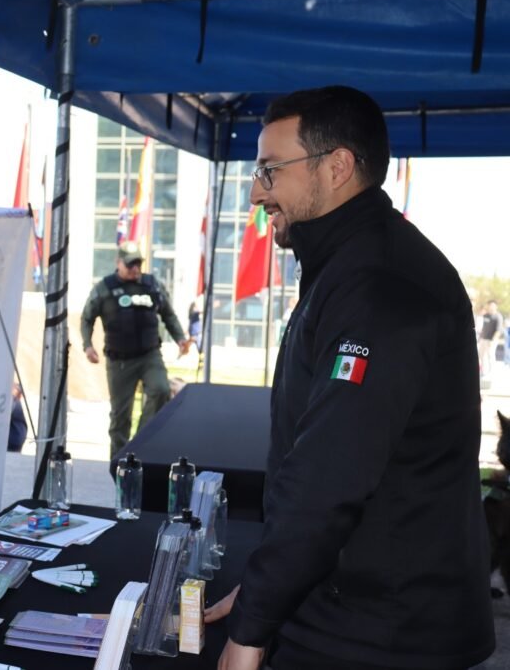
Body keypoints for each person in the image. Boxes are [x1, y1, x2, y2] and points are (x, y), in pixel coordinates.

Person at [209, 86, 494, 670]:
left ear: (337, 167)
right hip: (350, 609)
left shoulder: (379, 284)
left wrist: (252, 629)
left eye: (269, 170)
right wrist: (269, 591)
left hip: (383, 631)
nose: (257, 190)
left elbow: (328, 476)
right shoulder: (347, 266)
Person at [80, 241, 192, 458]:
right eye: (130, 264)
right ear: (118, 263)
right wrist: (87, 346)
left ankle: (141, 445)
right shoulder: (105, 288)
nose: (135, 269)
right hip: (120, 360)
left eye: (138, 264)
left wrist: (180, 338)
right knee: (121, 415)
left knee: (160, 390)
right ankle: (120, 461)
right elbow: (87, 318)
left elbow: (168, 314)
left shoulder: (152, 285)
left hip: (150, 355)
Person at [479, 299, 503, 377]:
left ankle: (491, 373)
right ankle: (484, 371)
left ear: (496, 306)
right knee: (481, 355)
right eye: (489, 305)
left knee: (490, 356)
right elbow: (483, 327)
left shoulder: (498, 316)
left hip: (491, 340)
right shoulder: (486, 315)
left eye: (492, 305)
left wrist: (492, 341)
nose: (490, 306)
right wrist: (480, 337)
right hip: (483, 339)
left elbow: (498, 330)